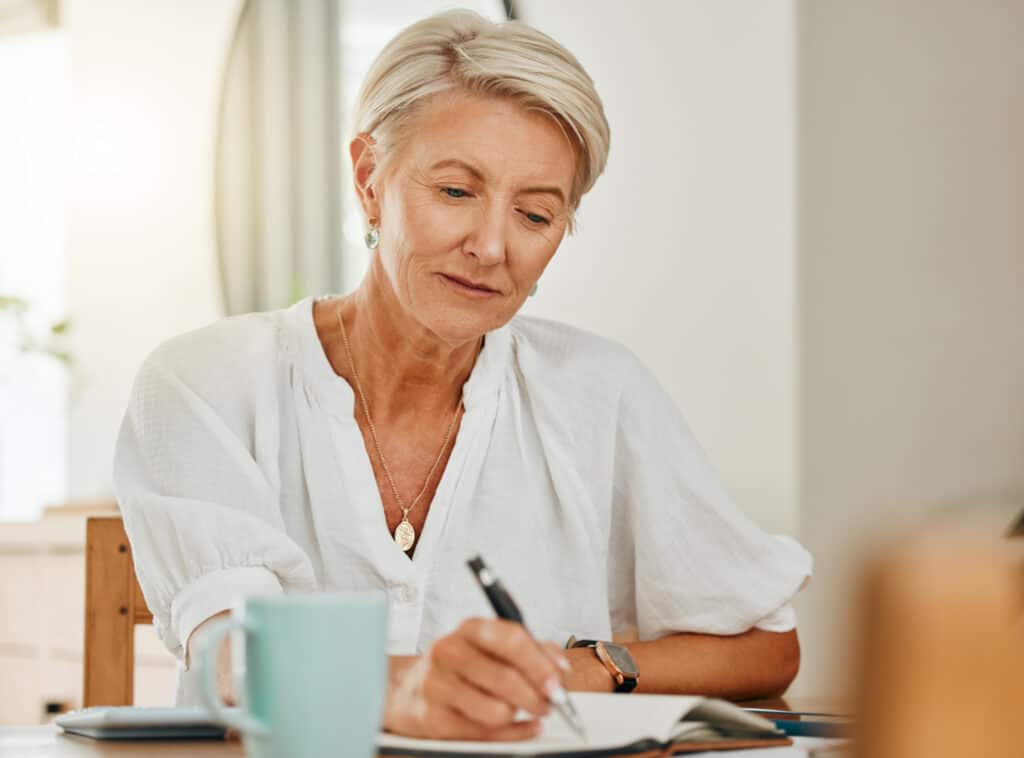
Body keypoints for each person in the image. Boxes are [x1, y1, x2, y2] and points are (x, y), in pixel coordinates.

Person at [113, 9, 812, 742]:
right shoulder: (202, 383)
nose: (490, 246)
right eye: (455, 191)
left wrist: (587, 668)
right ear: (369, 178)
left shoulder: (600, 390)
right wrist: (409, 689)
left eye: (536, 215)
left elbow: (766, 647)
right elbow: (232, 658)